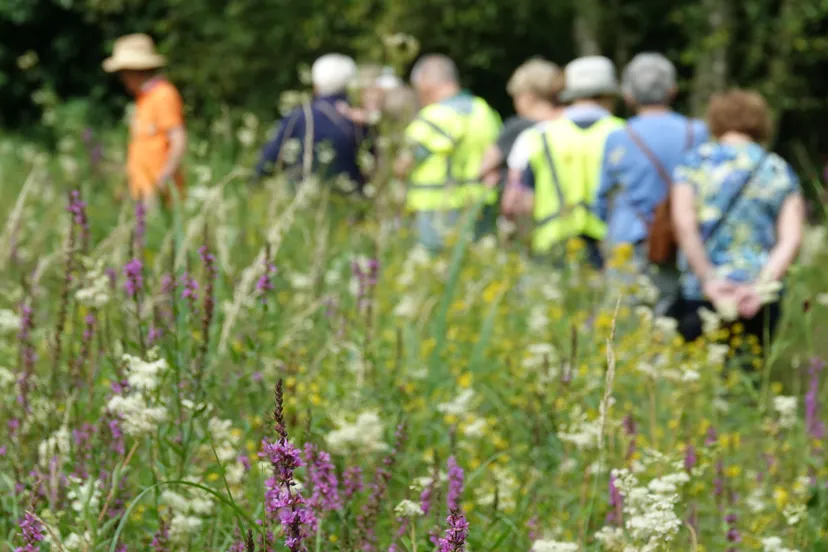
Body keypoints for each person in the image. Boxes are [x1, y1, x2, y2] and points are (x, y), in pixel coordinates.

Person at [668, 89, 805, 344]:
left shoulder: (693, 164)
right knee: (751, 372)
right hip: (757, 293)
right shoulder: (777, 168)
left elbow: (684, 225)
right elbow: (791, 238)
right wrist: (760, 287)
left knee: (699, 373)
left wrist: (709, 279)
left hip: (701, 288)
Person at [597, 53, 708, 311]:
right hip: (681, 239)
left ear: (628, 95)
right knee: (675, 316)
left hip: (630, 237)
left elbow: (602, 196)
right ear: (673, 90)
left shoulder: (619, 136)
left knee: (625, 316)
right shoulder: (697, 132)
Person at [502, 56, 625, 267]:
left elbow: (517, 202)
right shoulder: (625, 134)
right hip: (613, 248)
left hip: (550, 244)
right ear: (610, 94)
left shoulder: (537, 136)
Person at [395, 54, 502, 252]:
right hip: (480, 208)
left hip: (437, 211)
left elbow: (403, 165)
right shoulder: (484, 111)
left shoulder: (433, 117)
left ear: (425, 82)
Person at [254, 54, 367, 195]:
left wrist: (253, 186)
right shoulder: (361, 121)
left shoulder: (299, 117)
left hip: (303, 201)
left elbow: (269, 159)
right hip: (352, 202)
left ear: (316, 85)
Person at [103, 33, 187, 203]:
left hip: (161, 198)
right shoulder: (144, 99)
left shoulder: (163, 95)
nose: (122, 79)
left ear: (134, 70)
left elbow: (179, 142)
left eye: (123, 73)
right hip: (143, 195)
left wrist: (161, 185)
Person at [478, 59, 564, 188]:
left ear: (528, 96)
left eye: (516, 96)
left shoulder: (518, 128)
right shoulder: (566, 121)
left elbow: (484, 167)